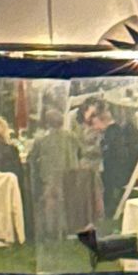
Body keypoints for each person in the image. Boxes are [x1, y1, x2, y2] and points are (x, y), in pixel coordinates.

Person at [21, 101, 89, 244]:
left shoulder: (41, 140)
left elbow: (31, 158)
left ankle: (52, 233)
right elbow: (82, 153)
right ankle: (66, 231)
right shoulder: (72, 137)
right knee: (66, 202)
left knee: (50, 205)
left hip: (49, 177)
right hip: (70, 175)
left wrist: (35, 172)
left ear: (47, 123)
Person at [80, 98, 138, 224]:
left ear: (99, 119)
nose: (91, 126)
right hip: (133, 172)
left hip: (119, 177)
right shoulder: (122, 130)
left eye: (91, 122)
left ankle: (96, 210)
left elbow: (108, 161)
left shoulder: (111, 136)